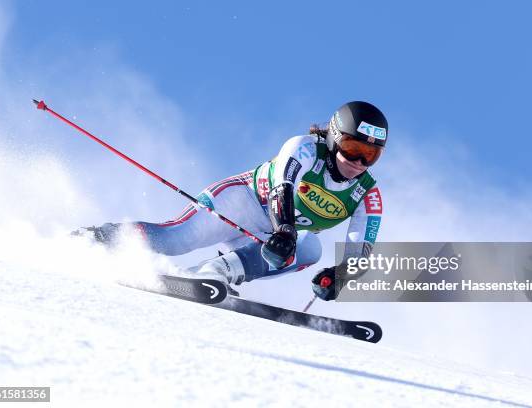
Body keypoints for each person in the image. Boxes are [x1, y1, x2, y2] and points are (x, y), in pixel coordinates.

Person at [75, 101, 388, 301]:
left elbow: (359, 256)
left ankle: (213, 272)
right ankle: (98, 237)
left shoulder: (367, 195)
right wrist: (284, 231)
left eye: (371, 155)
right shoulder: (304, 148)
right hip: (242, 202)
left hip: (268, 238)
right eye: (352, 147)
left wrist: (338, 278)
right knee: (176, 240)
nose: (359, 162)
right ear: (334, 137)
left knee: (311, 248)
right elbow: (282, 189)